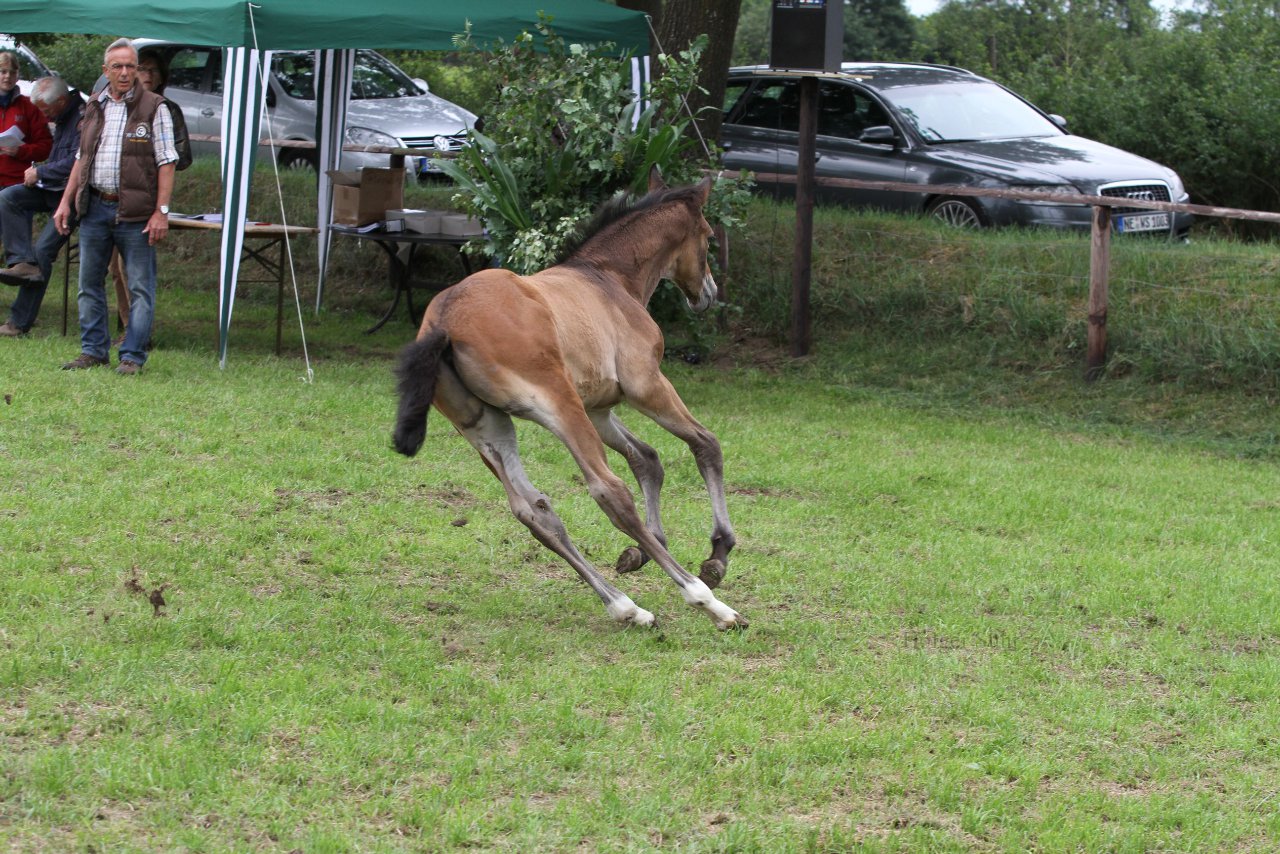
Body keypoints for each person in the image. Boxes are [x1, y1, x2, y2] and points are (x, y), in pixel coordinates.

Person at [54, 38, 178, 375]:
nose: (125, 73)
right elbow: (82, 158)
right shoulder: (95, 105)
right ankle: (93, 351)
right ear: (106, 71)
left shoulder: (155, 107)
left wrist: (161, 212)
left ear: (137, 70)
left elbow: (167, 162)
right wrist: (66, 201)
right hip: (95, 207)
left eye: (131, 66)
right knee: (89, 283)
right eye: (118, 67)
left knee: (140, 287)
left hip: (137, 214)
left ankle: (132, 355)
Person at [105, 46, 190, 344]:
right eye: (144, 68)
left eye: (154, 70)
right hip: (112, 198)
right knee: (115, 269)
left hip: (147, 199)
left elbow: (182, 157)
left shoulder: (166, 108)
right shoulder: (114, 104)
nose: (147, 75)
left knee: (137, 272)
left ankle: (138, 335)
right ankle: (128, 326)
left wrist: (151, 164)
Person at [0, 76, 84, 336]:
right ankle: (21, 261)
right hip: (51, 189)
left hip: (73, 198)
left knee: (43, 253)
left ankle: (18, 323)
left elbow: (77, 162)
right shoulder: (62, 116)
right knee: (8, 197)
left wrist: (41, 172)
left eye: (46, 111)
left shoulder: (82, 118)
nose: (42, 116)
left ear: (61, 101)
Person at [0, 50, 53, 249]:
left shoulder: (29, 108)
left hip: (16, 185)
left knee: (20, 249)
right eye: (2, 71)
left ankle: (23, 274)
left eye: (12, 72)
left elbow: (45, 147)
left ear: (17, 75)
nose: (7, 76)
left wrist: (20, 151)